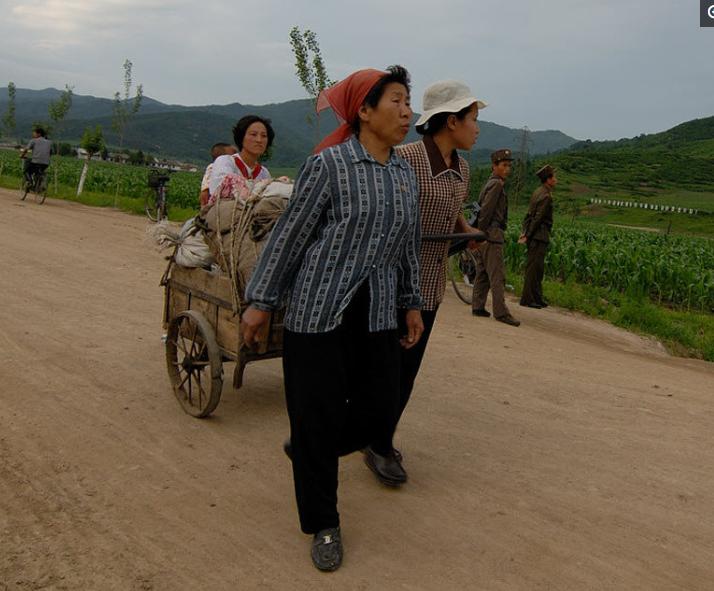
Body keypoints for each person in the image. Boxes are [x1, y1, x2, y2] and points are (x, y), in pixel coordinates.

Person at [241, 66, 423, 572]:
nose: (407, 112)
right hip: (319, 310)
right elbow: (291, 237)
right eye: (396, 101)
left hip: (378, 310)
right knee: (317, 413)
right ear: (364, 111)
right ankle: (323, 522)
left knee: (379, 408)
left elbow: (406, 246)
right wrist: (261, 301)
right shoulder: (329, 165)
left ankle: (309, 449)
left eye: (408, 102)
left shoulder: (404, 174)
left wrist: (411, 300)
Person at [370, 80, 486, 484]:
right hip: (395, 284)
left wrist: (466, 230)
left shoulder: (463, 169)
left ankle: (377, 439)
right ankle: (378, 446)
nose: (477, 128)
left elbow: (451, 210)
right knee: (388, 369)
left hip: (432, 284)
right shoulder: (403, 159)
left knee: (407, 371)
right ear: (451, 121)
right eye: (473, 119)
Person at [471, 149, 520, 326]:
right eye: (504, 165)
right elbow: (486, 212)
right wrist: (481, 234)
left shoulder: (490, 183)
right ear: (494, 166)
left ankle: (477, 305)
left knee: (483, 272)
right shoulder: (497, 185)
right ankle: (501, 312)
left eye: (509, 166)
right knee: (497, 275)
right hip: (491, 235)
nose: (507, 169)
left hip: (486, 234)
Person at [208, 115, 273, 200]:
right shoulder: (225, 161)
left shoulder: (264, 172)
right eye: (253, 134)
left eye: (264, 136)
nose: (259, 140)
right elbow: (220, 188)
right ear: (241, 138)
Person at [519, 164, 556, 308]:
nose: (556, 180)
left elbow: (528, 216)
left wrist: (525, 231)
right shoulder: (546, 196)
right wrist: (528, 235)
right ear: (548, 179)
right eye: (554, 177)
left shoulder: (537, 192)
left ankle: (537, 297)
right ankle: (527, 299)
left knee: (537, 268)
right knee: (534, 269)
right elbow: (537, 218)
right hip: (539, 236)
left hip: (535, 235)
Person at [199, 143, 237, 207]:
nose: (236, 157)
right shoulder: (212, 168)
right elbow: (206, 186)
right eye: (232, 155)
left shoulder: (233, 169)